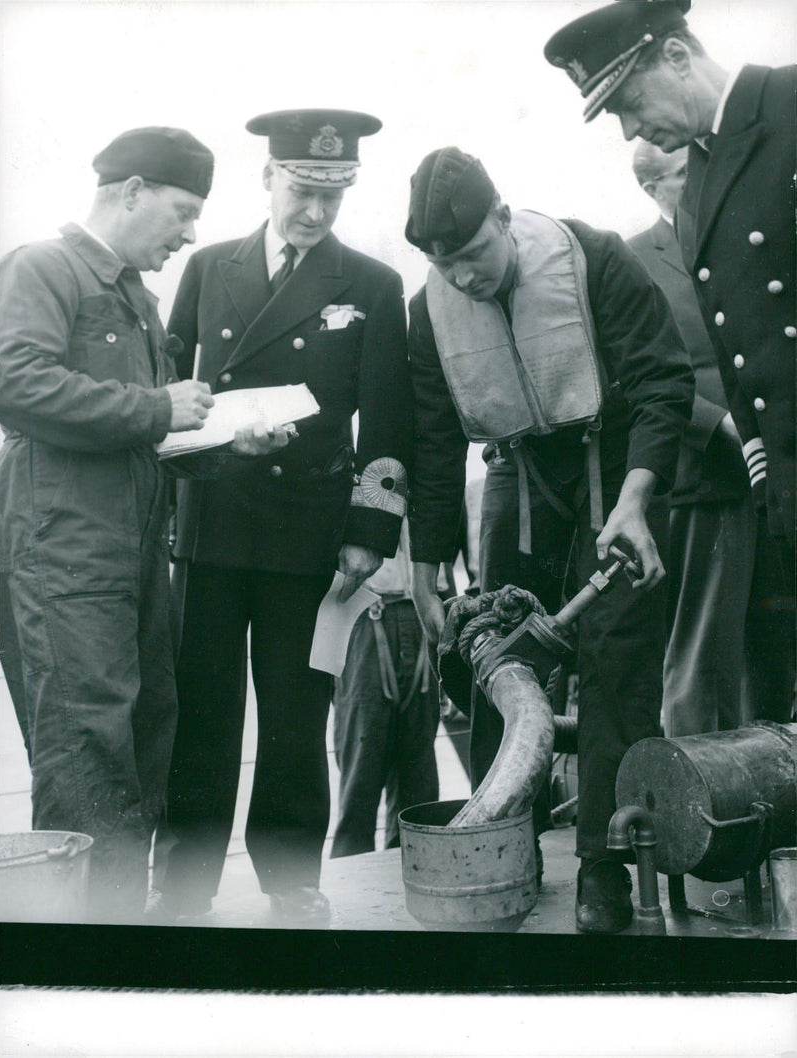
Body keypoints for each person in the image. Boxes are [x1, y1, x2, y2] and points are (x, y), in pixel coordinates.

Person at [0, 127, 291, 922]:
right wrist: (157, 405)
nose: (190, 233)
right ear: (130, 192)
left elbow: (152, 438)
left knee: (148, 728)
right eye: (181, 210)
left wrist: (224, 439)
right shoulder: (43, 267)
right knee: (87, 746)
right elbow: (13, 379)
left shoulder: (138, 300)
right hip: (61, 557)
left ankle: (123, 930)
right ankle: (91, 949)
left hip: (130, 560)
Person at [405, 147, 694, 933]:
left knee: (617, 669)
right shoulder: (425, 311)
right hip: (521, 480)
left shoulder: (595, 258)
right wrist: (428, 569)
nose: (461, 278)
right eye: (443, 264)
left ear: (504, 219)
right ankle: (508, 847)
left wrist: (637, 499)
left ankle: (605, 864)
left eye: (471, 256)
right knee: (498, 655)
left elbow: (667, 381)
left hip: (616, 477)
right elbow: (435, 447)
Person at [154, 109, 412, 926]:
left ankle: (292, 876)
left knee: (298, 714)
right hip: (211, 520)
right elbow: (166, 385)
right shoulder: (205, 267)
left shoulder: (372, 284)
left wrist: (370, 531)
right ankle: (183, 877)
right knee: (201, 708)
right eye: (302, 191)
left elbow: (389, 424)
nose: (315, 213)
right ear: (267, 178)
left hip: (310, 535)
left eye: (332, 197)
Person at [545, 0, 796, 723]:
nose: (630, 129)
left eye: (629, 101)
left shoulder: (789, 105)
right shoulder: (708, 170)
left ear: (678, 57)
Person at [628, 141, 757, 735]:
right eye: (685, 172)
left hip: (771, 475)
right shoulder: (636, 260)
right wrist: (722, 426)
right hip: (708, 479)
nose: (703, 179)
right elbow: (643, 379)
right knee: (700, 658)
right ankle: (701, 800)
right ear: (652, 187)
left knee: (767, 652)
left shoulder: (744, 237)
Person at [330, 521, 439, 859]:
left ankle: (419, 866)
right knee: (362, 761)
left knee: (419, 770)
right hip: (362, 617)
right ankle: (350, 867)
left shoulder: (434, 481)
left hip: (421, 619)